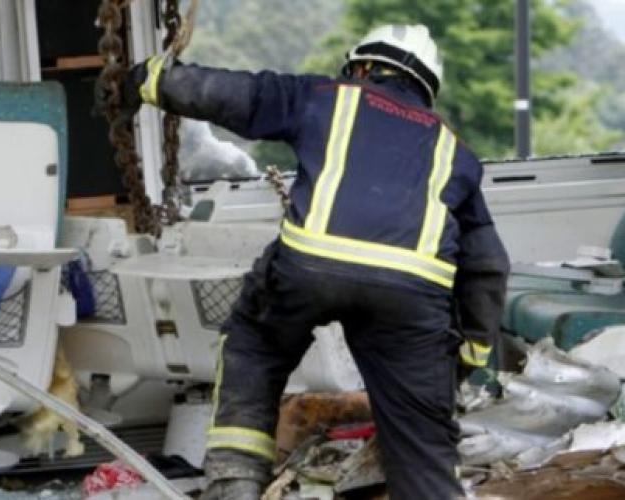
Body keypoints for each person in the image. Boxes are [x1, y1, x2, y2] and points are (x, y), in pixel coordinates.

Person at [122, 24, 510, 500]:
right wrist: (470, 350)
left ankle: (235, 486)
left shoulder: (326, 95)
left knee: (254, 349)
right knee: (423, 444)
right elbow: (488, 264)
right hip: (411, 295)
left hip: (309, 267)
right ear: (426, 87)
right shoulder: (455, 150)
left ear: (362, 67)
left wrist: (149, 79)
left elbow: (231, 94)